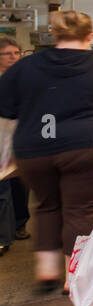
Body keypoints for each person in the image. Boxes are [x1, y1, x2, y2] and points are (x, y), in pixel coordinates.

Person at [0, 11, 93, 293]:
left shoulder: (26, 66)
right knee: (81, 211)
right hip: (84, 148)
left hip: (33, 148)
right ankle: (73, 278)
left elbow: (5, 105)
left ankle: (47, 271)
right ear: (90, 35)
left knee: (46, 206)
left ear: (54, 34)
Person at [0, 35, 29, 253]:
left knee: (20, 184)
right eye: (8, 54)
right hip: (2, 137)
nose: (13, 57)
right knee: (4, 185)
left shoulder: (24, 77)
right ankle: (6, 234)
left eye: (17, 53)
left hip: (21, 136)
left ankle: (20, 224)